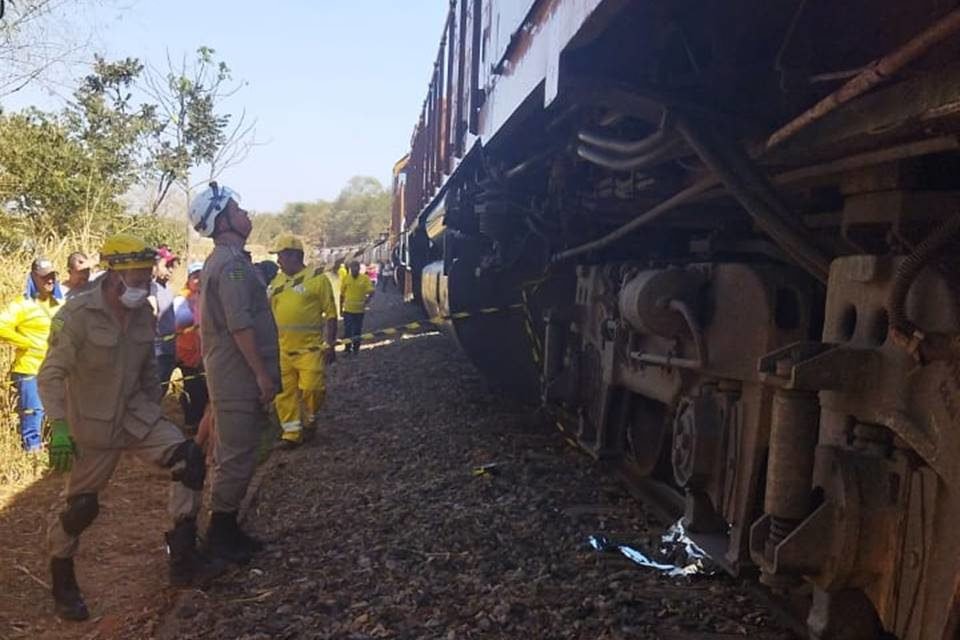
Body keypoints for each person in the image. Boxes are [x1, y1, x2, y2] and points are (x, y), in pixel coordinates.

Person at [37, 235, 222, 621]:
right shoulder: (75, 315)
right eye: (138, 274)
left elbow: (147, 369)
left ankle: (183, 555)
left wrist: (152, 412)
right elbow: (51, 374)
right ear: (114, 273)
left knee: (189, 459)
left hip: (135, 417)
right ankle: (62, 582)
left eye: (146, 274)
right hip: (90, 424)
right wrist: (59, 425)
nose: (144, 281)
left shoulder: (142, 313)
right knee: (80, 508)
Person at [188, 181, 281, 564]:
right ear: (222, 220)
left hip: (232, 374)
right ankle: (219, 535)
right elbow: (240, 325)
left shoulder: (229, 261)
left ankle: (226, 529)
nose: (247, 215)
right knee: (237, 454)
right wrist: (261, 375)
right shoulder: (231, 266)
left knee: (238, 450)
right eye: (238, 210)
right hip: (237, 376)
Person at [268, 234, 338, 448]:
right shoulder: (277, 282)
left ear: (294, 255)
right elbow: (269, 315)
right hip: (282, 350)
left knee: (312, 389)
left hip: (310, 349)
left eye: (280, 255)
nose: (278, 261)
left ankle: (309, 421)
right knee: (284, 394)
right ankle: (291, 435)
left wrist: (330, 344)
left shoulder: (317, 278)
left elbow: (331, 314)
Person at [0, 258, 63, 452]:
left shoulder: (59, 303)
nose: (50, 281)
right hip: (30, 369)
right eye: (45, 277)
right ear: (34, 277)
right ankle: (32, 454)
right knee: (33, 413)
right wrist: (27, 343)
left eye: (52, 276)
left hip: (58, 370)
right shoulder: (21, 305)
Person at [173, 262, 208, 434]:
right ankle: (191, 423)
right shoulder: (182, 299)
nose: (198, 280)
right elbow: (180, 320)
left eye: (201, 276)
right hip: (187, 353)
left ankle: (201, 424)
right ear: (188, 279)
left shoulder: (207, 296)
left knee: (204, 391)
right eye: (195, 277)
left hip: (204, 351)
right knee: (193, 390)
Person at [150, 251, 178, 393]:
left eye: (172, 265)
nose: (170, 269)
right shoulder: (151, 288)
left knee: (163, 387)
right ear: (155, 267)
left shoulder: (168, 288)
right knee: (155, 390)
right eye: (166, 265)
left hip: (169, 348)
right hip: (157, 350)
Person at [340, 260, 374, 355]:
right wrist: (340, 309)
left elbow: (371, 290)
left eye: (356, 268)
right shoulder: (346, 278)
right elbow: (341, 294)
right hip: (348, 310)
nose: (354, 270)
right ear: (350, 269)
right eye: (352, 268)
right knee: (347, 330)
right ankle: (347, 348)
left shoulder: (365, 279)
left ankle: (356, 348)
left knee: (357, 330)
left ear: (359, 269)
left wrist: (368, 299)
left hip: (359, 310)